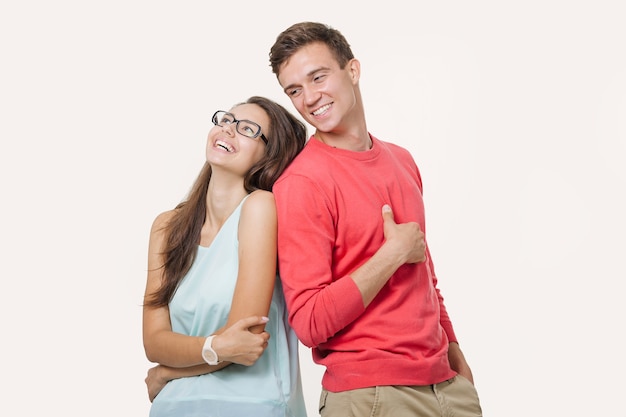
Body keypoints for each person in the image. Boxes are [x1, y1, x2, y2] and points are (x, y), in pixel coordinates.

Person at [268, 22, 483, 417]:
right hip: (370, 396)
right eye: (294, 90)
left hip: (446, 387)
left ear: (353, 70)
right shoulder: (301, 183)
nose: (310, 98)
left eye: (318, 77)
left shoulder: (402, 160)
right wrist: (391, 255)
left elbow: (424, 274)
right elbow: (309, 322)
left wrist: (454, 352)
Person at [142, 96, 308, 417]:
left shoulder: (260, 207)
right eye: (226, 121)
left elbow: (243, 343)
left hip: (252, 406)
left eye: (247, 129)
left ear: (269, 156)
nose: (228, 130)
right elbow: (154, 343)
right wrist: (215, 348)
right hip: (174, 407)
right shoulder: (166, 227)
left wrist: (168, 372)